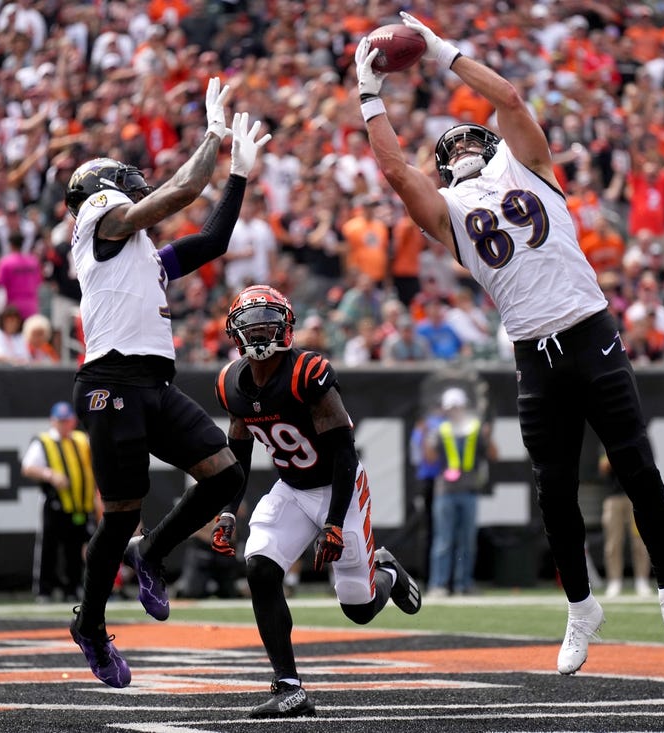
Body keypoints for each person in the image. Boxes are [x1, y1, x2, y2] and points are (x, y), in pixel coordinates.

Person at [355, 14, 664, 676]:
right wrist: (369, 98)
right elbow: (398, 173)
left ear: (490, 142)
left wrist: (441, 51)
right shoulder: (450, 216)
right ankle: (580, 609)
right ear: (445, 172)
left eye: (466, 140)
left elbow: (509, 99)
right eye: (446, 149)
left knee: (637, 464)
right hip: (533, 352)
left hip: (589, 328)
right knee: (554, 490)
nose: (458, 150)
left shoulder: (530, 164)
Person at [64, 78, 271, 688]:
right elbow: (181, 190)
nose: (134, 184)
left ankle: (151, 554)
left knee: (225, 475)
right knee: (119, 513)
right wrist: (213, 138)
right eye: (123, 179)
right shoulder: (99, 221)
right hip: (112, 381)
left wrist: (238, 177)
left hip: (152, 381)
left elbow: (212, 240)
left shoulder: (140, 251)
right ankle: (92, 625)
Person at [213, 284, 422, 718]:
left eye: (266, 323)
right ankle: (289, 687)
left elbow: (345, 451)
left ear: (285, 327)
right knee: (260, 567)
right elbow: (238, 455)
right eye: (249, 326)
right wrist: (228, 509)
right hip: (291, 487)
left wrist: (332, 522)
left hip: (337, 487)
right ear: (235, 332)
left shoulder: (308, 372)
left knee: (358, 608)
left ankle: (385, 570)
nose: (257, 334)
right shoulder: (231, 383)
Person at [21, 402, 99, 604]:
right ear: (53, 421)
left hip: (80, 505)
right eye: (61, 421)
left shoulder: (81, 440)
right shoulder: (44, 441)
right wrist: (50, 474)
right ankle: (44, 590)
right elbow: (28, 467)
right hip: (55, 503)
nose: (65, 425)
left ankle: (72, 589)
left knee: (75, 549)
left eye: (68, 421)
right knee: (49, 547)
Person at [424, 386, 496, 597]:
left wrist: (488, 436)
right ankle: (439, 584)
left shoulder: (475, 428)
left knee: (467, 541)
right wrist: (427, 435)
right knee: (443, 540)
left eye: (457, 407)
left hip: (469, 490)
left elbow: (493, 454)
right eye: (451, 408)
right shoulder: (440, 430)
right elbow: (429, 458)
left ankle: (463, 584)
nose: (454, 412)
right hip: (445, 491)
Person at [600, 455, 652, 599]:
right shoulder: (606, 439)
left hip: (635, 496)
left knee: (639, 541)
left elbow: (646, 462)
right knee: (613, 543)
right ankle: (614, 581)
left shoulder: (637, 435)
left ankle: (642, 581)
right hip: (613, 498)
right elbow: (603, 466)